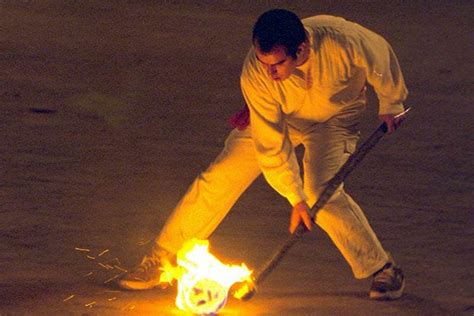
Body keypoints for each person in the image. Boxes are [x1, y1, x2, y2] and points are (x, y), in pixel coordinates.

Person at [118, 9, 407, 300]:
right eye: (264, 62)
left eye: (278, 64)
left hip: (336, 117)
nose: (270, 72)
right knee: (222, 175)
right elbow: (271, 143)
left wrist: (391, 101)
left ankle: (382, 268)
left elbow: (379, 55)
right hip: (283, 116)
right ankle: (162, 258)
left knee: (321, 191)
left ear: (302, 48)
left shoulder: (342, 40)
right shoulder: (256, 73)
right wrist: (294, 197)